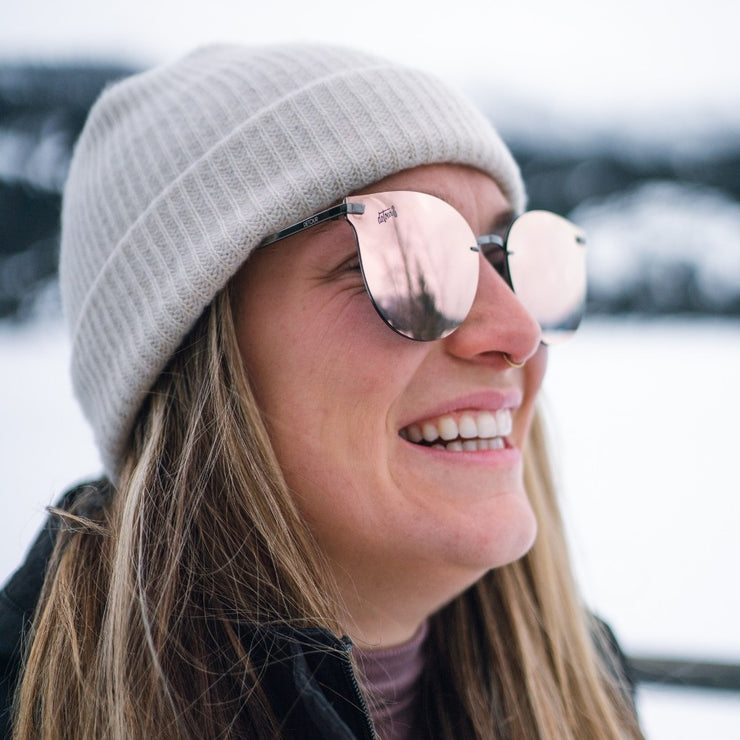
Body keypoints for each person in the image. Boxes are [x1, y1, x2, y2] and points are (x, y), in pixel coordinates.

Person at [0, 44, 642, 738]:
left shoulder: (591, 693)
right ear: (196, 357)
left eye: (509, 258)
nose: (519, 331)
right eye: (407, 259)